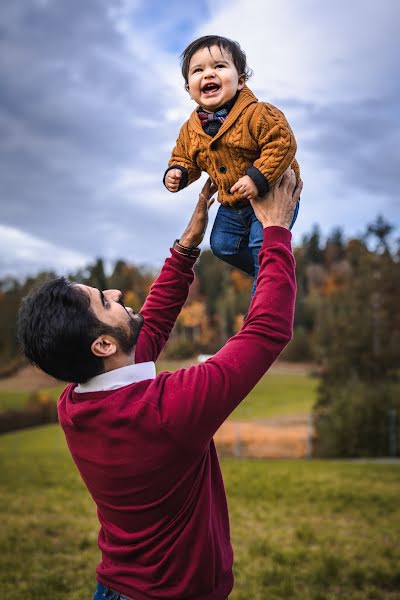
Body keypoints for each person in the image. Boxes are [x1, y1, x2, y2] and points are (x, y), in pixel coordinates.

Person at [17, 169, 301, 600]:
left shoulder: (74, 404)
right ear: (102, 344)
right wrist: (276, 232)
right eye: (104, 301)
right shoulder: (169, 411)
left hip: (115, 589)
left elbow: (145, 333)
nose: (114, 292)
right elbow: (266, 331)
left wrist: (187, 247)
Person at [164, 35, 301, 296]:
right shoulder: (191, 130)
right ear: (188, 88)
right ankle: (271, 276)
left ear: (240, 81)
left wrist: (257, 176)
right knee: (221, 244)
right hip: (233, 204)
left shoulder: (258, 113)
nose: (208, 74)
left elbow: (282, 143)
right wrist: (178, 173)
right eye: (198, 70)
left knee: (262, 246)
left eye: (219, 66)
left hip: (271, 196)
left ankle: (265, 290)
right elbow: (184, 157)